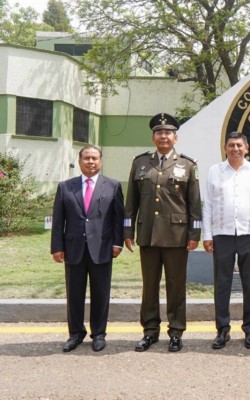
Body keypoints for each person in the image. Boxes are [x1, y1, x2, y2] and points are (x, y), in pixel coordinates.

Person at [124, 113, 202, 352]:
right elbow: (131, 201)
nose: (163, 136)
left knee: (176, 286)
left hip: (177, 236)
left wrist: (194, 234)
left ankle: (176, 331)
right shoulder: (140, 163)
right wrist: (127, 230)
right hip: (147, 233)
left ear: (175, 137)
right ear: (153, 137)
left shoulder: (187, 165)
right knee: (149, 286)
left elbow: (195, 204)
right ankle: (150, 331)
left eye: (168, 132)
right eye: (159, 132)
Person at [51, 145, 124, 352]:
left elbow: (117, 219)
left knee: (101, 293)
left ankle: (99, 334)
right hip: (73, 248)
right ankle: (75, 333)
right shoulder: (66, 187)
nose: (90, 162)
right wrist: (57, 247)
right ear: (80, 161)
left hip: (102, 248)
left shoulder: (113, 186)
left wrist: (117, 243)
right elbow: (58, 221)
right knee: (74, 293)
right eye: (86, 158)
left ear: (100, 161)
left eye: (94, 158)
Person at [202, 131, 250, 350]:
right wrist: (207, 235)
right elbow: (208, 204)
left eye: (239, 145)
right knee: (222, 284)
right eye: (231, 145)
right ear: (225, 148)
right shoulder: (214, 171)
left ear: (246, 148)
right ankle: (222, 329)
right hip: (222, 235)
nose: (235, 149)